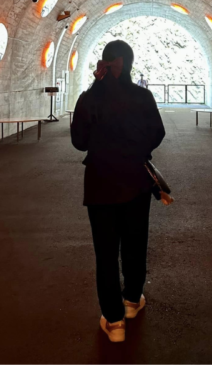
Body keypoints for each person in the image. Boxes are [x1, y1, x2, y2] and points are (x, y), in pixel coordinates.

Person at [70, 40, 166, 343]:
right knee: (135, 243)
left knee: (106, 253)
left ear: (104, 64)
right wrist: (138, 151)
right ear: (129, 63)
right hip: (136, 182)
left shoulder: (89, 99)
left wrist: (93, 90)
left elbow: (79, 141)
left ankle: (114, 322)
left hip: (100, 185)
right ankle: (132, 301)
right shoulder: (143, 96)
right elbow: (158, 132)